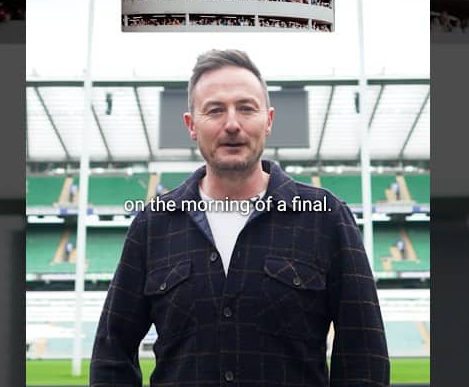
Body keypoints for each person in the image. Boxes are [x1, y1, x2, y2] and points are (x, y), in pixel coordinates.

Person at [91, 49, 389, 387]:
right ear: (191, 125)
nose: (232, 124)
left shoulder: (326, 218)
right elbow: (111, 352)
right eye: (215, 110)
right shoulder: (152, 225)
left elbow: (365, 354)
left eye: (246, 108)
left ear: (269, 120)